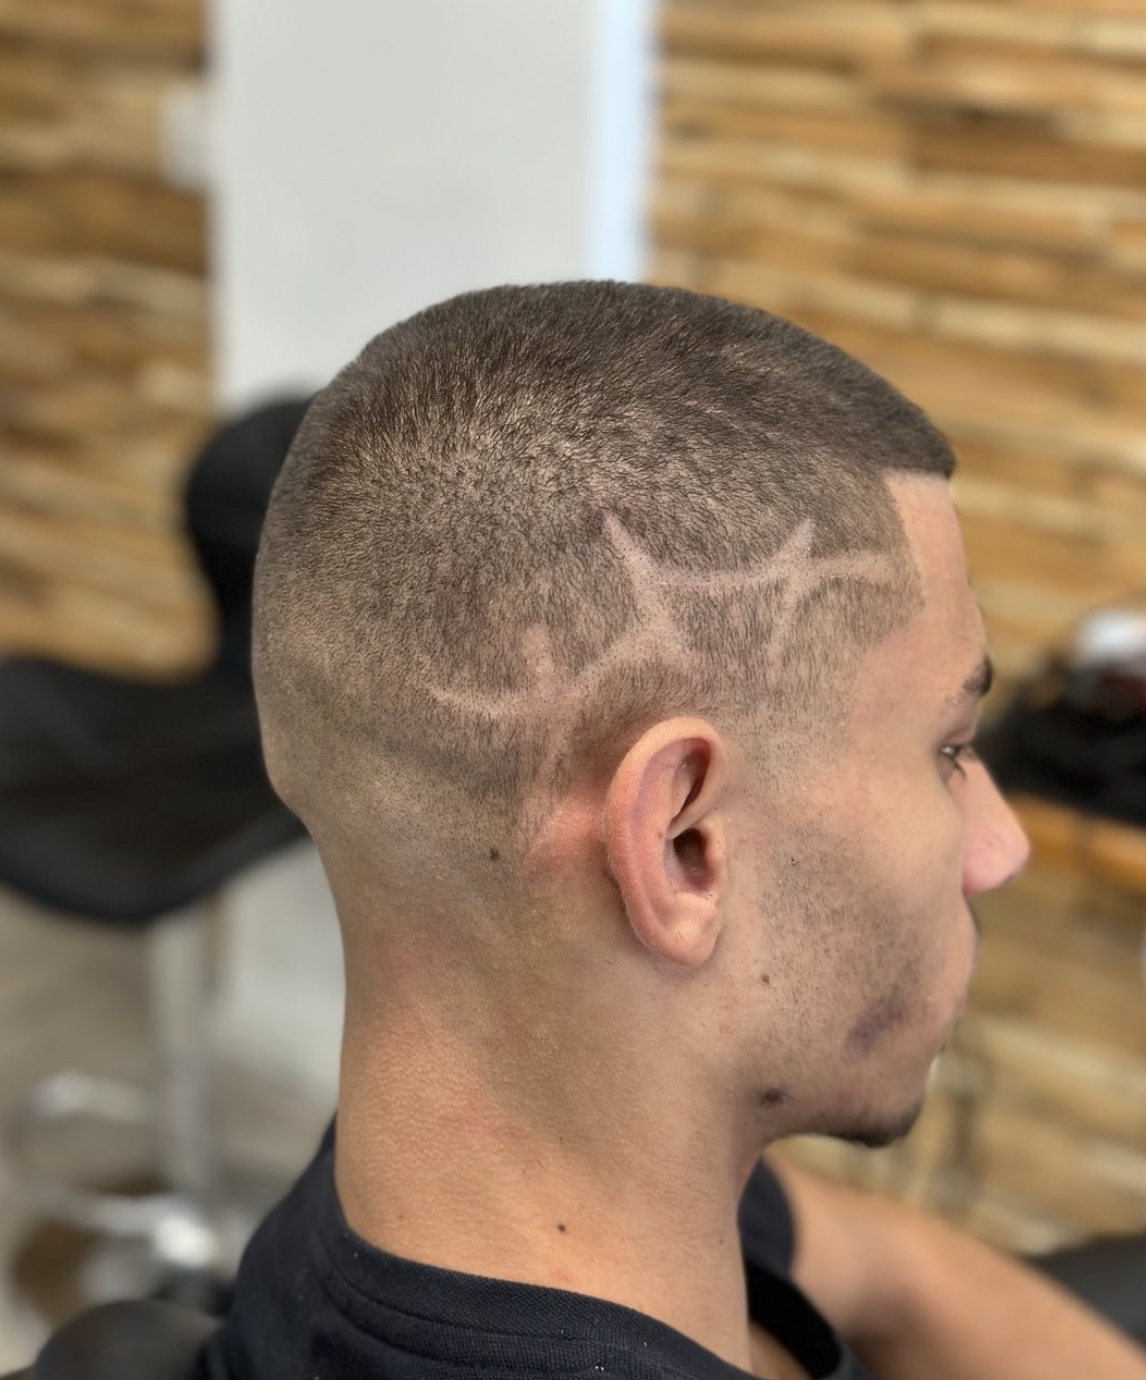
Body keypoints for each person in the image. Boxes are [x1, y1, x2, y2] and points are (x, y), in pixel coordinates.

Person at [196, 282, 1146, 1380]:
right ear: (681, 846)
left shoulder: (467, 1168)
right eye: (949, 748)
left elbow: (893, 1263)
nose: (1001, 848)